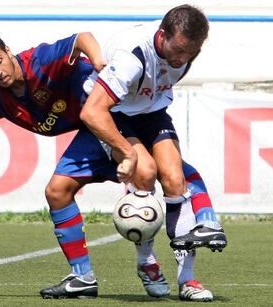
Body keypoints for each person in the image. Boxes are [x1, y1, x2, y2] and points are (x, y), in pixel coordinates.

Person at [0, 23, 224, 300]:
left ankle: (152, 263)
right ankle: (83, 278)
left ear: (7, 51)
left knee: (160, 172)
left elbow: (82, 38)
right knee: (57, 190)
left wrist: (100, 63)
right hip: (91, 135)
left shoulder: (41, 60)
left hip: (111, 117)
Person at [40, 4, 226, 302]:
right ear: (162, 34)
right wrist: (127, 153)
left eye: (189, 53)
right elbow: (92, 112)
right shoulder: (131, 57)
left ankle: (188, 279)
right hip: (112, 114)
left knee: (175, 177)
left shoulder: (185, 49)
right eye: (178, 49)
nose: (182, 58)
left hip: (151, 112)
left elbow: (167, 74)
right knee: (139, 171)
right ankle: (145, 262)